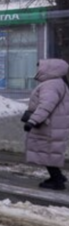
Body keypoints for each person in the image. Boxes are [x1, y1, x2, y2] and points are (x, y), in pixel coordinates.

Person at [23, 58, 69, 190]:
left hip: (49, 126)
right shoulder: (58, 83)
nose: (38, 70)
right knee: (49, 152)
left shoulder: (51, 85)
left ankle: (57, 181)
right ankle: (57, 176)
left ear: (50, 69)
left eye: (41, 67)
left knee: (48, 152)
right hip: (54, 125)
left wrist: (32, 121)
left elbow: (45, 106)